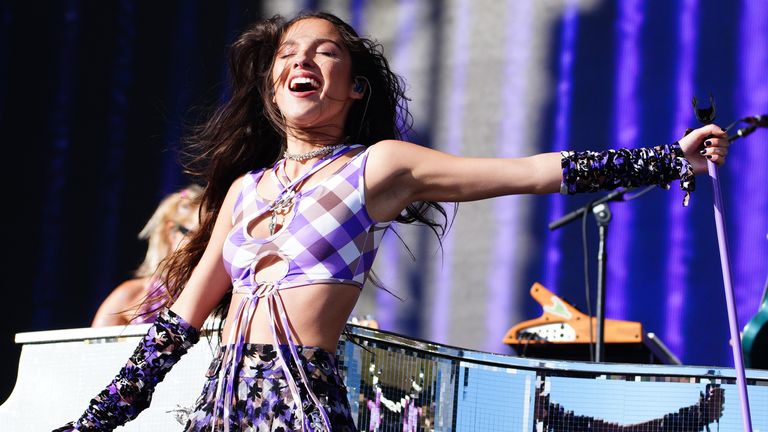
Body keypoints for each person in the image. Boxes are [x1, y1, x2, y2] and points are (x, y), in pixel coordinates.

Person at [56, 11, 730, 432]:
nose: (300, 61)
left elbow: (526, 171)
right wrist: (92, 423)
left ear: (354, 87)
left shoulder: (376, 167)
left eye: (323, 52)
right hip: (223, 403)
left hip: (302, 401)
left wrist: (666, 159)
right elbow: (177, 328)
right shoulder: (244, 190)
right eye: (288, 53)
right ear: (269, 88)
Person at [91, 185, 203, 326]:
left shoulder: (222, 296)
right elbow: (94, 346)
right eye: (199, 237)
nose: (206, 246)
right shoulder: (130, 294)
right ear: (171, 232)